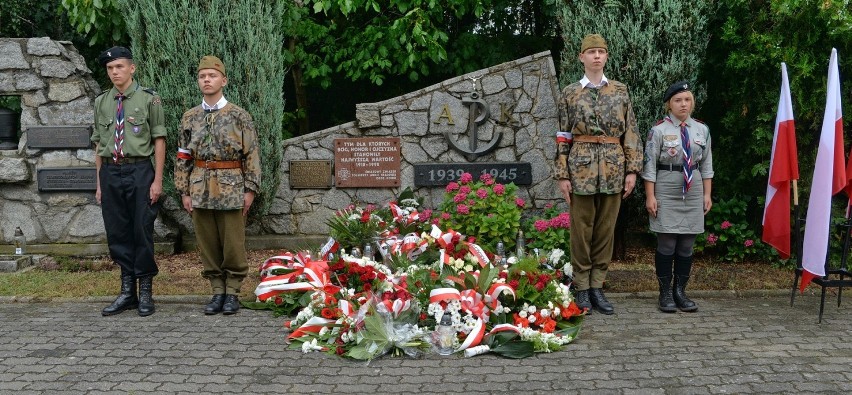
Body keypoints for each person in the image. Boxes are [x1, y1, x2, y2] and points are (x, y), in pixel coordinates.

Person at [553, 34, 643, 315]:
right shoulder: (570, 92)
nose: (596, 56)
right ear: (581, 57)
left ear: (606, 57)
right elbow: (562, 135)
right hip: (580, 168)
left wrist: (632, 170)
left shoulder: (619, 90)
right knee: (581, 231)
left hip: (614, 168)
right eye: (591, 52)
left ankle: (597, 287)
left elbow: (631, 131)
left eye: (601, 52)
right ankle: (581, 288)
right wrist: (562, 173)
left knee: (605, 229)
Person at [174, 56, 261, 315]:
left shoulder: (238, 116)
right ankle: (216, 291)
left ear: (223, 80)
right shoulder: (190, 117)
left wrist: (250, 189)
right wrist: (184, 190)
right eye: (202, 76)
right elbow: (183, 156)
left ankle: (233, 291)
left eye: (212, 76)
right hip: (199, 186)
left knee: (233, 242)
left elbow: (252, 155)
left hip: (231, 187)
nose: (207, 80)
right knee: (207, 241)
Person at [92, 46, 166, 317]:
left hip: (139, 171)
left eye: (119, 67)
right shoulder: (102, 101)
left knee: (141, 230)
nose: (114, 72)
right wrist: (100, 182)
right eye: (110, 69)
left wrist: (157, 180)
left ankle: (145, 291)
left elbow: (159, 140)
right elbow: (98, 143)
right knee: (118, 231)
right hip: (111, 172)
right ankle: (127, 293)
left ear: (132, 68)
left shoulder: (149, 99)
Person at [641, 81, 713, 313]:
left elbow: (707, 165)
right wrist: (650, 196)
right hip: (666, 186)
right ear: (669, 105)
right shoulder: (659, 130)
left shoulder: (702, 129)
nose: (683, 104)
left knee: (687, 244)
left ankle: (680, 292)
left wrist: (707, 194)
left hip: (693, 189)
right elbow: (649, 166)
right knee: (667, 241)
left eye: (687, 99)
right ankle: (665, 293)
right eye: (678, 100)